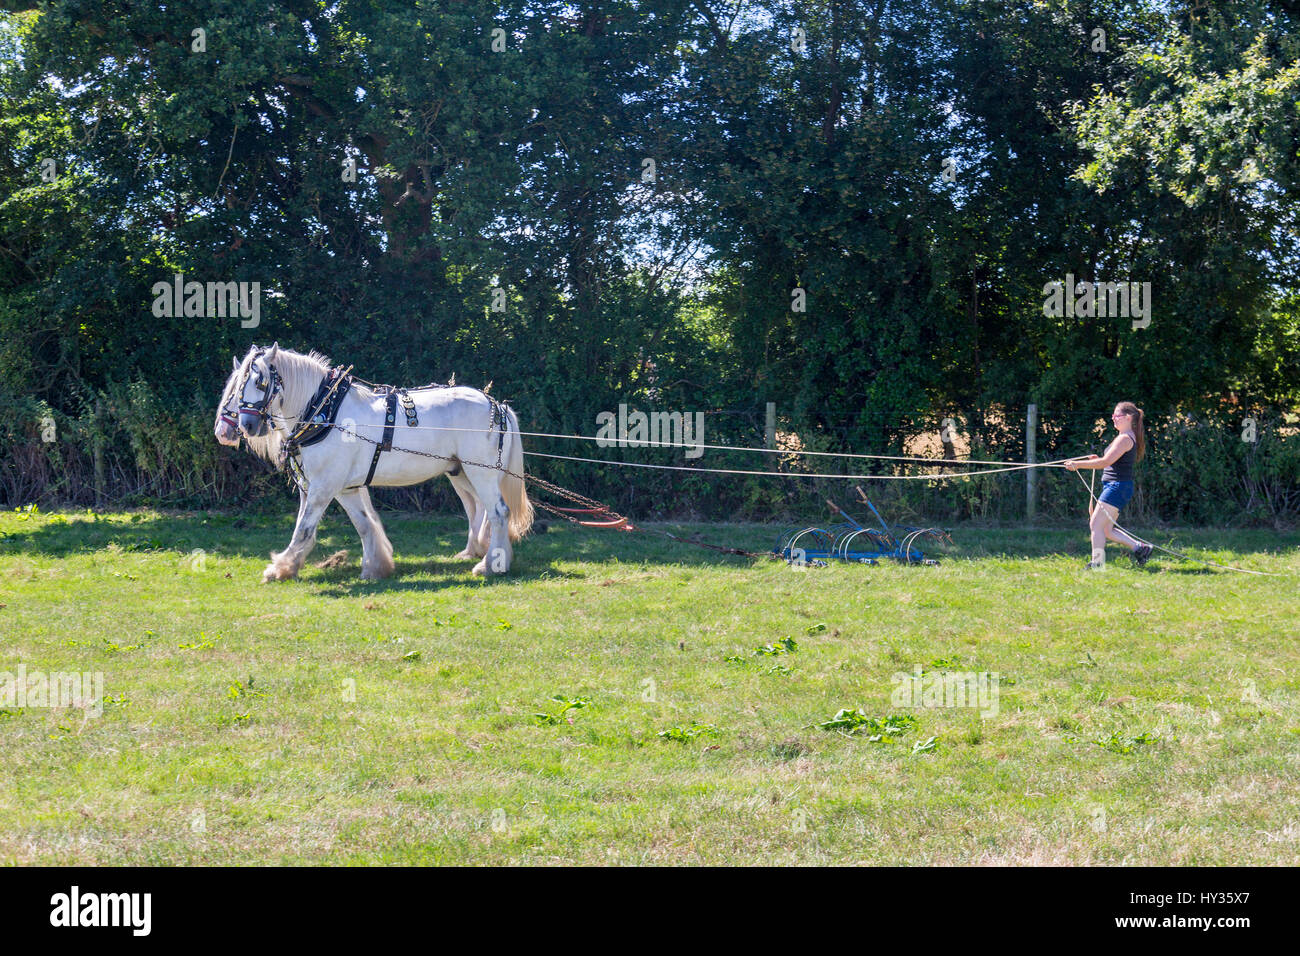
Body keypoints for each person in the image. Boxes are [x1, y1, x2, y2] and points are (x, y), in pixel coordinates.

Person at [1065, 401, 1154, 569]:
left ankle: (1097, 563)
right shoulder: (1123, 436)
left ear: (1128, 418)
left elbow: (1106, 462)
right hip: (1116, 487)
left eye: (1116, 416)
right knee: (1106, 529)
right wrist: (1094, 460)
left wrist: (1078, 464)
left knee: (1095, 525)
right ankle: (1140, 548)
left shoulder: (1125, 439)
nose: (1113, 418)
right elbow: (1109, 462)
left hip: (1117, 487)